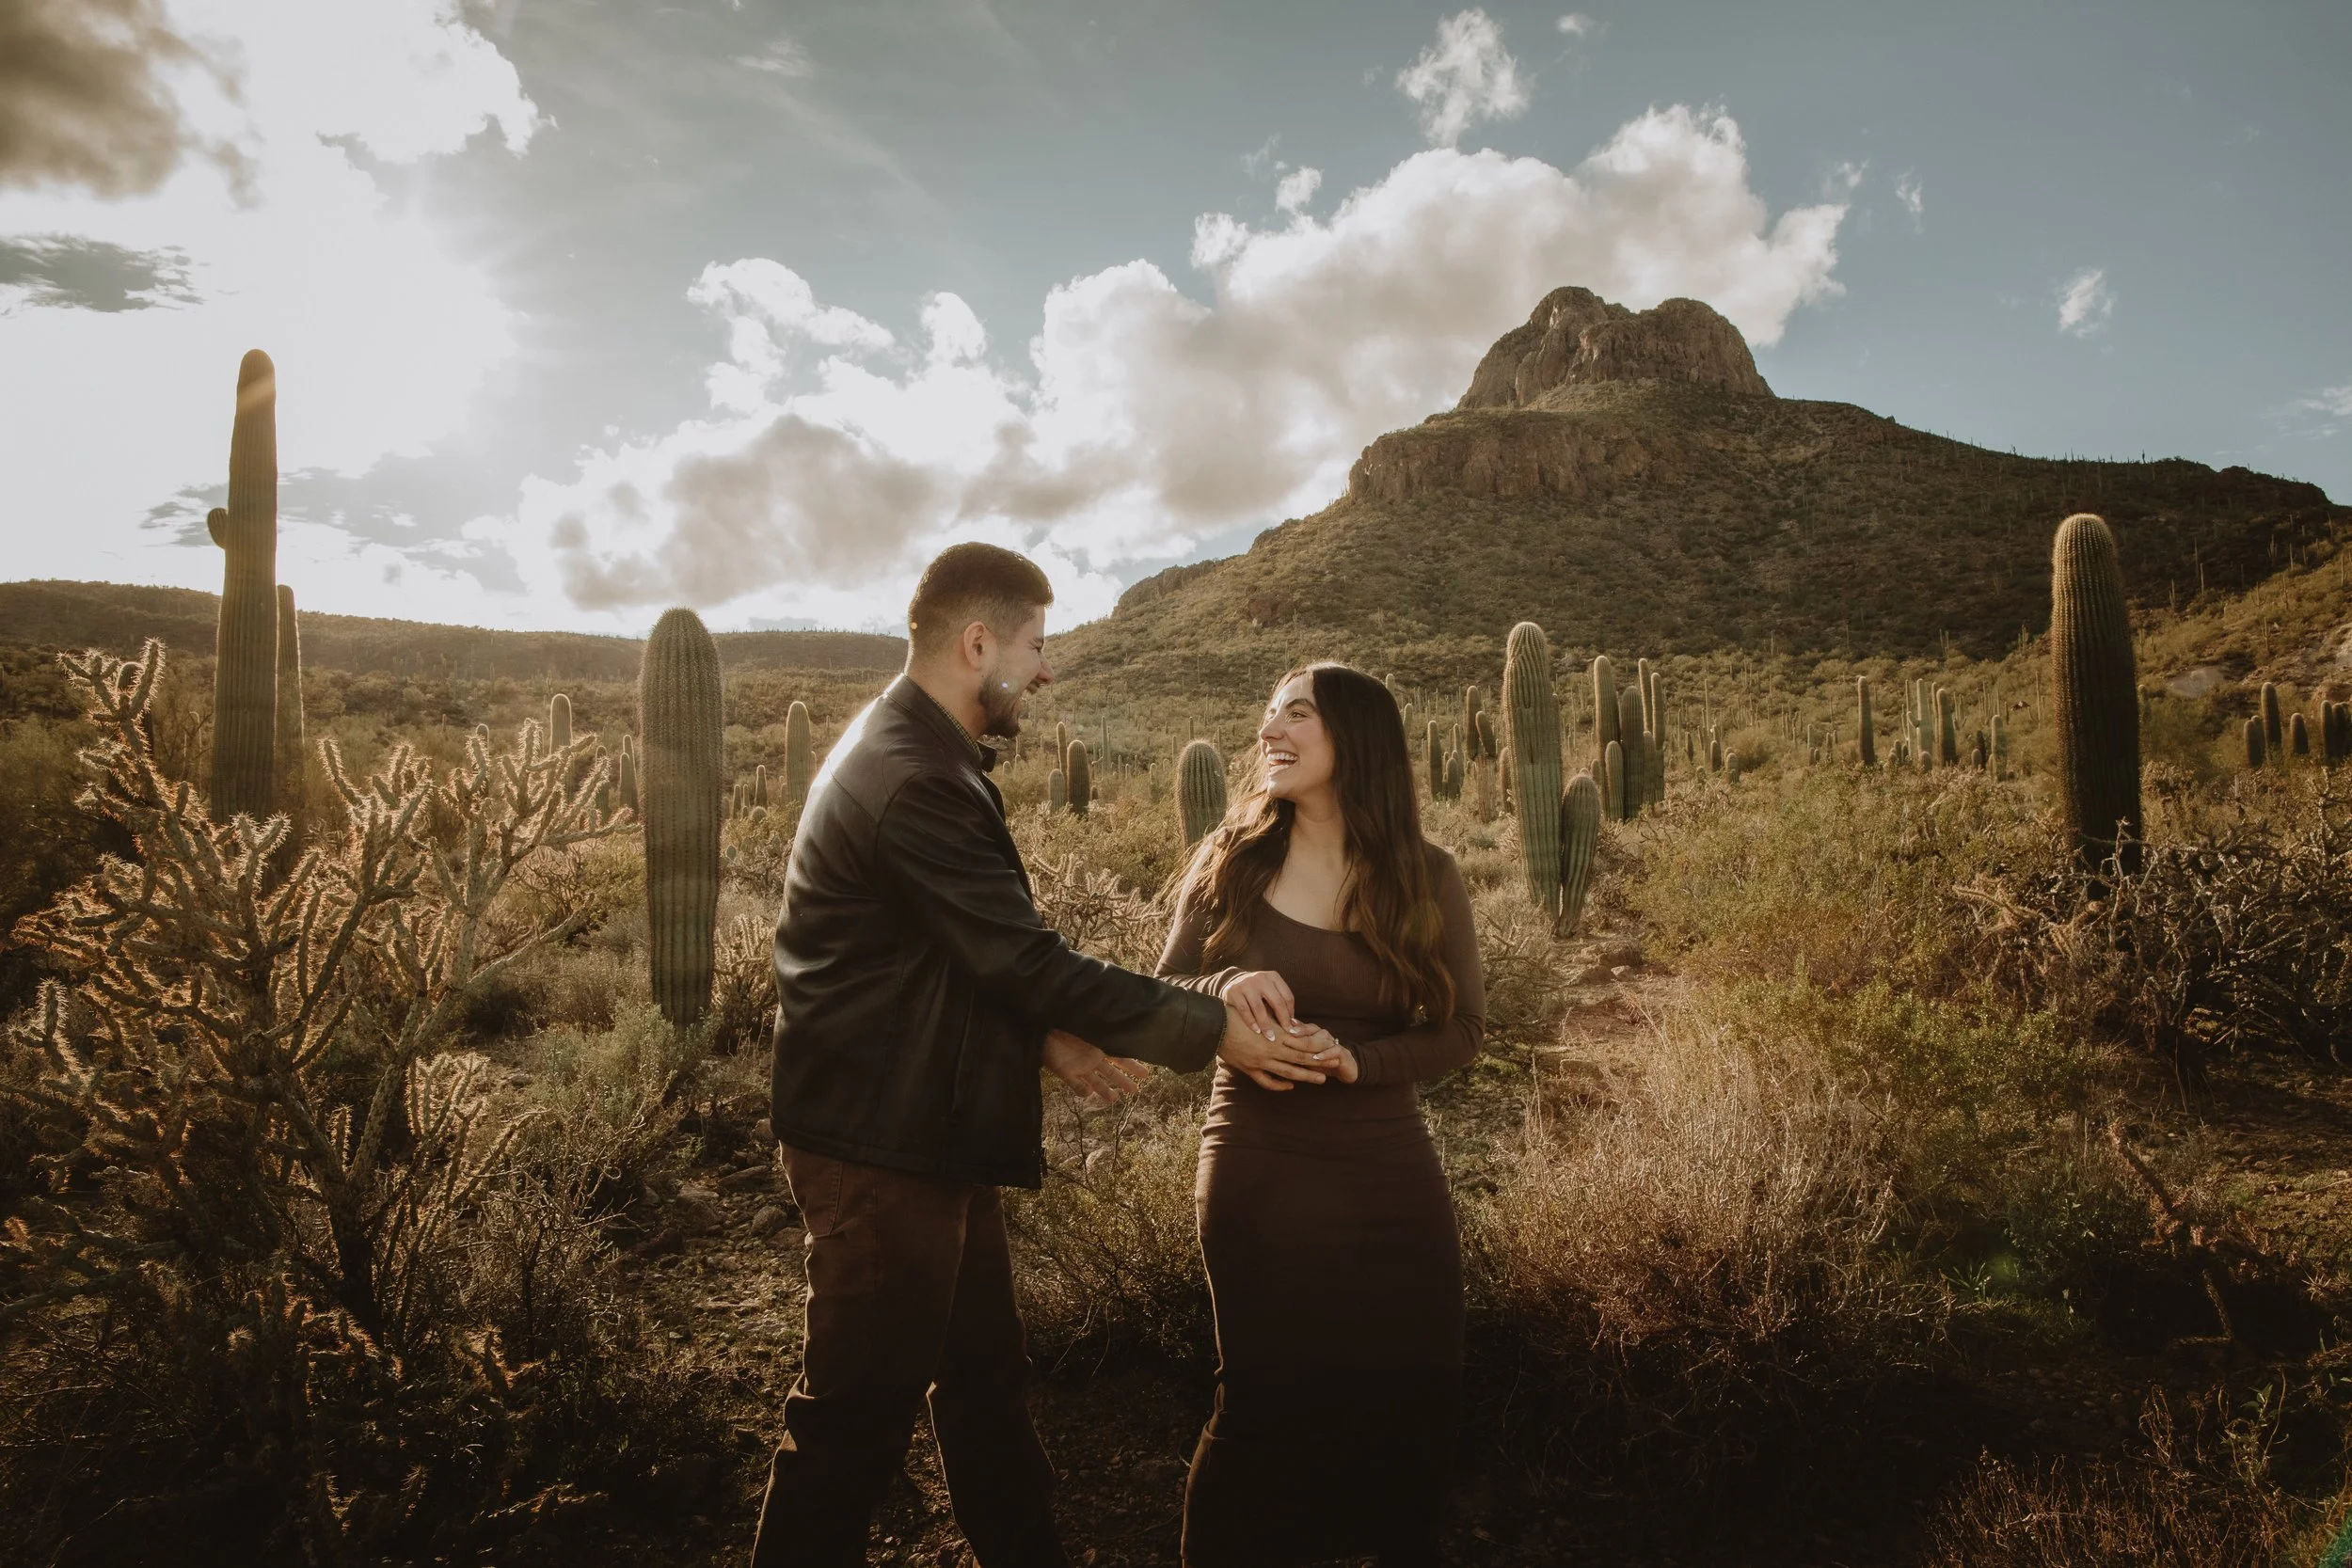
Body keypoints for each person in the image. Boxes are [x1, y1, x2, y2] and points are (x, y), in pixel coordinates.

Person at [753, 544, 1336, 1568]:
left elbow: (955, 955)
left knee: (983, 1380)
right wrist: (1211, 1025)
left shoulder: (908, 749)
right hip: (881, 1150)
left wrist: (1044, 1029)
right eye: (1034, 643)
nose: (1046, 666)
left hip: (923, 1133)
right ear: (977, 643)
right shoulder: (913, 775)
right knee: (852, 1420)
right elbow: (1020, 957)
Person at [1156, 661, 1486, 1568]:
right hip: (1261, 1162)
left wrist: (1359, 1060)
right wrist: (1225, 984)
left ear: (1354, 740)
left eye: (1296, 713)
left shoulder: (1426, 874)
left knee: (1417, 1400)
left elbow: (1464, 1028)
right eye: (1266, 713)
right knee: (1262, 1403)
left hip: (1390, 1167)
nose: (1271, 729)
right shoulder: (1230, 857)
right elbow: (1157, 994)